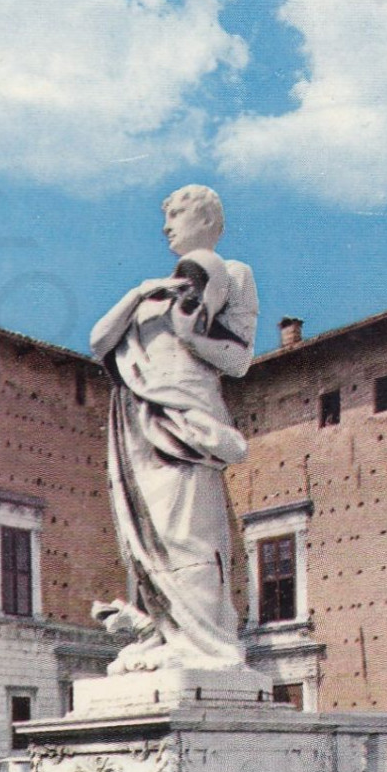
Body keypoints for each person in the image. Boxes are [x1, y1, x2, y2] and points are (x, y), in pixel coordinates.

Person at [89, 184, 258, 673]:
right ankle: (166, 631)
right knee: (146, 532)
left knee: (188, 531)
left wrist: (189, 329)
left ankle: (208, 642)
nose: (167, 226)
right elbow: (99, 340)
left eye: (177, 214)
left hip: (186, 418)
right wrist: (140, 293)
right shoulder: (151, 294)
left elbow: (239, 358)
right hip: (139, 421)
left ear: (207, 220)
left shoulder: (233, 274)